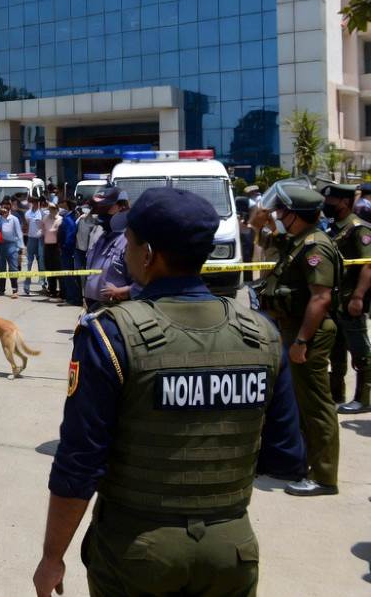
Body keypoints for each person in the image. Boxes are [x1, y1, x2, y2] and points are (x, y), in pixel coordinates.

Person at [33, 186, 306, 597]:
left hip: (137, 549)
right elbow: (286, 458)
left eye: (129, 242)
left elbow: (80, 461)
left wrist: (52, 557)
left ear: (148, 255)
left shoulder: (110, 333)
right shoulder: (260, 334)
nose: (124, 250)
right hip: (230, 549)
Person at [254, 184, 340, 496]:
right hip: (295, 330)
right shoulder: (299, 241)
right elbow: (260, 232)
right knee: (302, 405)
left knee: (316, 407)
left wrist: (302, 341)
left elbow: (321, 298)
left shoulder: (315, 246)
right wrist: (259, 219)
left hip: (310, 333)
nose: (277, 215)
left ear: (295, 215)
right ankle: (302, 464)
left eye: (282, 212)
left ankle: (324, 477)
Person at [319, 183, 371, 413]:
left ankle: (364, 398)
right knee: (336, 351)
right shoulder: (333, 228)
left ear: (345, 202)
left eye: (332, 202)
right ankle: (337, 393)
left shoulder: (359, 228)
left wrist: (358, 297)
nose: (327, 205)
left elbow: (368, 265)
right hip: (335, 300)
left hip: (351, 300)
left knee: (360, 352)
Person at [83, 188, 137, 311]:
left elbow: (146, 285)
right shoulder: (101, 237)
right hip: (93, 309)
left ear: (122, 207)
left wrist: (122, 292)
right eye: (97, 209)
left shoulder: (130, 242)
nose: (99, 213)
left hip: (118, 312)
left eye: (104, 209)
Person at [0, 199, 22, 299]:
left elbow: (19, 233)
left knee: (13, 268)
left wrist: (20, 247)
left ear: (10, 207)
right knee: (1, 268)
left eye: (7, 205)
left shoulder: (14, 219)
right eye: (3, 205)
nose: (5, 207)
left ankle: (15, 290)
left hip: (12, 245)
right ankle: (1, 289)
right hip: (1, 245)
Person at [57, 203, 81, 307]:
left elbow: (70, 236)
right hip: (67, 251)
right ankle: (70, 296)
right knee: (68, 276)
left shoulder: (68, 220)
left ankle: (73, 298)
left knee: (69, 276)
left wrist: (64, 248)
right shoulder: (69, 218)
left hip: (67, 252)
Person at [23, 197, 46, 296]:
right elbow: (26, 226)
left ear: (39, 203)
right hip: (31, 239)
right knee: (29, 262)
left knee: (41, 261)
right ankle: (27, 284)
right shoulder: (27, 213)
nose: (35, 204)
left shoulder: (42, 213)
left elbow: (45, 226)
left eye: (36, 202)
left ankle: (43, 283)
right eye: (33, 202)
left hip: (40, 239)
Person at [42, 202, 62, 299]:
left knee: (57, 268)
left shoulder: (60, 219)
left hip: (56, 247)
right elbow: (43, 230)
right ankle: (52, 290)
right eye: (50, 208)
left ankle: (61, 290)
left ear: (57, 209)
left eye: (53, 208)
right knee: (49, 268)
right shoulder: (45, 218)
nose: (51, 210)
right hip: (47, 246)